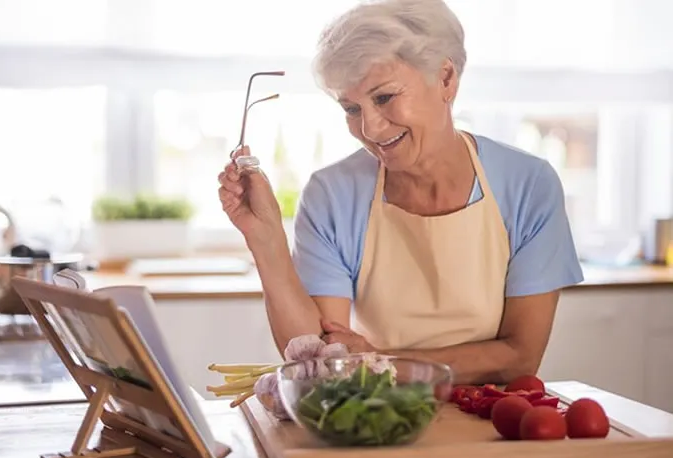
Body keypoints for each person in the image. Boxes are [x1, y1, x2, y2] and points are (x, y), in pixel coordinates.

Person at [217, 0, 583, 385]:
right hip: (379, 417)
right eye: (350, 108)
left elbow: (519, 357)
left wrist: (381, 362)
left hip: (491, 419)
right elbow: (320, 355)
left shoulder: (528, 185)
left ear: (445, 78)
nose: (370, 129)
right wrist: (266, 238)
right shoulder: (333, 194)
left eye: (384, 97)